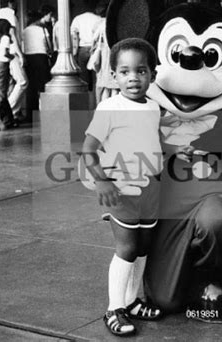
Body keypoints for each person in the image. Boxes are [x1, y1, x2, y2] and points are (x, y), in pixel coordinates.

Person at [81, 38, 163, 337]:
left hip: (151, 188)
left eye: (141, 71)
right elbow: (88, 149)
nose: (133, 78)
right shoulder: (109, 108)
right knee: (126, 247)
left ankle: (133, 299)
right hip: (121, 189)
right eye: (125, 71)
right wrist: (102, 181)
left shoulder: (153, 107)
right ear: (113, 75)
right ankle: (114, 307)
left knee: (142, 246)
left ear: (152, 74)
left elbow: (151, 142)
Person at [0, 0, 28, 122]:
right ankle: (9, 111)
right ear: (11, 2)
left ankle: (13, 113)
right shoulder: (10, 13)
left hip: (1, 54)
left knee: (11, 84)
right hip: (12, 52)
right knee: (23, 82)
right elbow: (12, 34)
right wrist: (21, 55)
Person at [22, 6, 54, 122]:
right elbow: (49, 45)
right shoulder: (42, 30)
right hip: (41, 57)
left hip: (29, 58)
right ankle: (47, 113)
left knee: (31, 87)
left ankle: (30, 115)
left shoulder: (25, 30)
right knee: (44, 86)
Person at [88, 4, 120, 103]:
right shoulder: (116, 23)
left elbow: (94, 40)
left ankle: (103, 109)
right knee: (115, 86)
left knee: (106, 86)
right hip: (116, 54)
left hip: (105, 55)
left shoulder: (101, 24)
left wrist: (92, 50)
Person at [70, 5, 102, 91]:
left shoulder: (78, 19)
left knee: (84, 77)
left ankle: (85, 98)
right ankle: (95, 100)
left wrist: (75, 52)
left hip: (82, 49)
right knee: (96, 77)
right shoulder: (98, 19)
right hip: (95, 49)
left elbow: (75, 37)